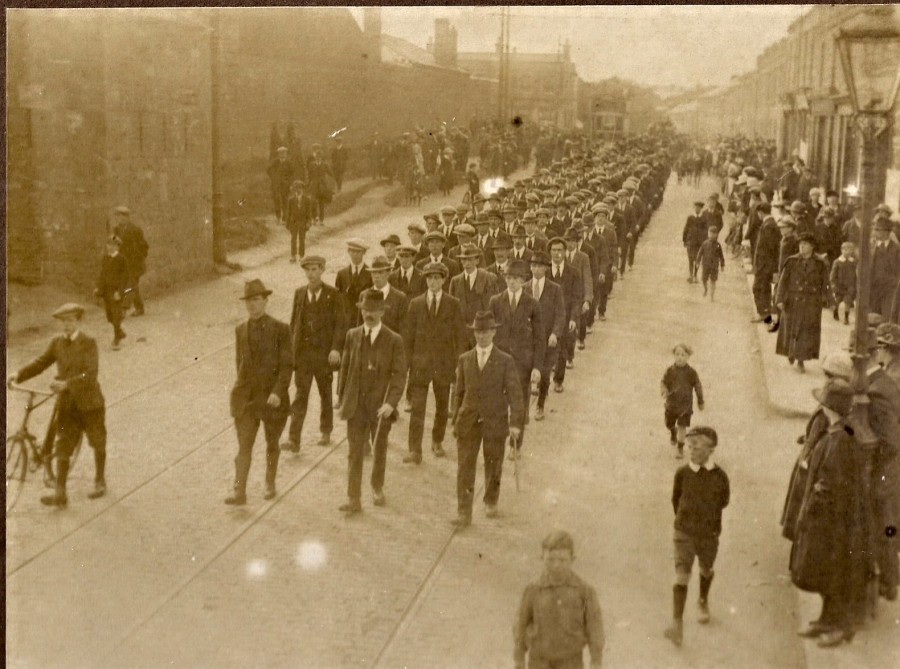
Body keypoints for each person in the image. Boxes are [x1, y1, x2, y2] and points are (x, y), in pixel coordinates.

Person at [8, 303, 108, 506]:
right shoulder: (56, 343)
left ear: (79, 321)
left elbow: (90, 374)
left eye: (70, 321)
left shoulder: (89, 343)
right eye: (63, 322)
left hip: (90, 404)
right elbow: (40, 363)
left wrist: (66, 384)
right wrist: (18, 375)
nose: (66, 326)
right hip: (67, 405)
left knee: (97, 442)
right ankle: (60, 494)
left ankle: (99, 480)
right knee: (62, 447)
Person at [790, 379, 866, 647]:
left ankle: (841, 627)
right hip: (829, 520)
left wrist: (809, 513)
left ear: (829, 408)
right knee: (825, 573)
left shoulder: (840, 440)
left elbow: (829, 485)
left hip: (830, 522)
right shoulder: (838, 433)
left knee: (834, 574)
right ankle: (826, 620)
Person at [336, 289, 407, 515]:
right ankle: (353, 498)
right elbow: (345, 368)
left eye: (374, 310)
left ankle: (377, 487)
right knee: (354, 452)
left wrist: (391, 403)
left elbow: (399, 375)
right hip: (356, 405)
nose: (369, 314)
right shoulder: (352, 335)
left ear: (382, 313)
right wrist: (341, 397)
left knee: (379, 448)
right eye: (366, 310)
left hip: (380, 406)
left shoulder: (394, 340)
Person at [450, 311, 524, 527]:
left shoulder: (505, 360)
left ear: (493, 332)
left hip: (494, 421)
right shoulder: (465, 359)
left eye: (485, 332)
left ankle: (491, 500)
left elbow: (515, 395)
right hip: (468, 421)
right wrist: (456, 418)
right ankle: (464, 511)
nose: (481, 336)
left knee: (493, 464)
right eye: (477, 332)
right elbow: (459, 392)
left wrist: (515, 424)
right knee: (465, 467)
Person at [226, 280, 292, 505]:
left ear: (265, 300)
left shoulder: (281, 329)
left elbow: (286, 366)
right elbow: (240, 363)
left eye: (256, 300)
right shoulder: (240, 330)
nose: (252, 306)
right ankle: (239, 491)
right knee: (244, 446)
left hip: (272, 399)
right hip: (248, 400)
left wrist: (277, 392)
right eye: (249, 302)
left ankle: (270, 482)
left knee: (272, 443)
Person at [664, 426, 729, 647]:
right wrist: (685, 522)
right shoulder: (682, 473)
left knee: (706, 569)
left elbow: (723, 501)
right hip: (684, 532)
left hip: (708, 534)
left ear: (711, 449)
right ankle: (676, 623)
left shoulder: (720, 477)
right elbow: (676, 499)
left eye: (697, 447)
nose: (692, 451)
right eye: (690, 446)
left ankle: (702, 599)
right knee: (681, 575)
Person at [513, 530, 605, 669]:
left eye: (562, 560)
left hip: (570, 661)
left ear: (572, 560)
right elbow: (520, 624)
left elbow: (594, 626)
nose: (556, 565)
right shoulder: (533, 590)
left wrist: (596, 660)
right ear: (542, 558)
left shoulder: (584, 591)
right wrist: (519, 658)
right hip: (539, 660)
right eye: (550, 559)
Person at [281, 256, 345, 454]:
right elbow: (294, 324)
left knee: (325, 394)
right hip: (303, 356)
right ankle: (294, 439)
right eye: (308, 270)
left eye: (315, 269)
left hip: (324, 355)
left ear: (323, 270)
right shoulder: (299, 293)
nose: (311, 274)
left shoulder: (333, 294)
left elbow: (340, 325)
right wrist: (290, 351)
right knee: (300, 396)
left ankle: (326, 430)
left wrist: (335, 349)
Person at [402, 262, 464, 463]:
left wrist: (458, 363)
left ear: (444, 280)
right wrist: (407, 363)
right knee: (418, 407)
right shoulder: (416, 304)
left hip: (443, 365)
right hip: (420, 366)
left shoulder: (453, 304)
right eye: (429, 278)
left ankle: (437, 441)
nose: (433, 282)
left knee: (442, 406)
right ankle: (414, 449)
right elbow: (408, 337)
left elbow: (460, 337)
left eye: (437, 278)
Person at [490, 259, 545, 454]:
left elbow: (539, 338)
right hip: (499, 362)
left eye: (516, 278)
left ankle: (516, 445)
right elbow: (489, 333)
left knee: (518, 404)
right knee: (498, 403)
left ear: (523, 281)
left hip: (522, 364)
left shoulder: (532, 304)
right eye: (508, 278)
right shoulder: (496, 302)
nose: (512, 282)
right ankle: (498, 441)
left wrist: (537, 367)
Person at [775, 233, 830, 372]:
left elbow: (826, 283)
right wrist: (779, 299)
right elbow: (783, 282)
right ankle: (791, 353)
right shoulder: (792, 261)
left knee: (806, 331)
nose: (802, 246)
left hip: (811, 302)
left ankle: (801, 360)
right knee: (791, 328)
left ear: (812, 246)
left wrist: (829, 300)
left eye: (805, 244)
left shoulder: (820, 263)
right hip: (793, 300)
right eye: (800, 244)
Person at [526, 251, 566, 422]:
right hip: (528, 340)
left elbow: (560, 314)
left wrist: (555, 334)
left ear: (545, 269)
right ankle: (523, 409)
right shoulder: (524, 288)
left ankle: (540, 405)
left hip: (548, 339)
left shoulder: (555, 289)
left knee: (544, 373)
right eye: (533, 266)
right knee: (525, 373)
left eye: (540, 266)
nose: (536, 269)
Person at [449, 244, 501, 349]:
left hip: (482, 332)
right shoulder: (455, 281)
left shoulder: (489, 279)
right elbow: (451, 310)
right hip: (461, 334)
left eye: (470, 260)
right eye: (464, 260)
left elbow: (494, 309)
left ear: (477, 261)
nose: (467, 263)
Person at [660, 344, 705, 459]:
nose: (680, 357)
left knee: (682, 426)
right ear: (674, 356)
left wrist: (700, 400)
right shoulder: (670, 371)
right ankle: (672, 432)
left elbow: (698, 386)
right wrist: (664, 391)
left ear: (688, 357)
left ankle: (680, 448)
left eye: (683, 355)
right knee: (668, 423)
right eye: (677, 354)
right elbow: (663, 382)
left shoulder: (691, 373)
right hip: (671, 405)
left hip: (685, 406)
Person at [112, 206, 149, 316]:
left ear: (127, 217)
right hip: (122, 263)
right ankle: (139, 308)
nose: (119, 219)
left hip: (135, 263)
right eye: (118, 217)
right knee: (132, 286)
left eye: (121, 217)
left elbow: (144, 246)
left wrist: (140, 257)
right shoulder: (116, 230)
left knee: (131, 285)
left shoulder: (135, 230)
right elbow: (113, 241)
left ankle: (124, 309)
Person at [95, 234, 128, 350]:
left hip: (115, 292)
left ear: (118, 247)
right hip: (106, 291)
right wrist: (98, 287)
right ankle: (119, 331)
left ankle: (116, 339)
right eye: (108, 244)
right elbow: (102, 274)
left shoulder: (121, 259)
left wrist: (119, 291)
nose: (110, 247)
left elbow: (124, 277)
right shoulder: (105, 258)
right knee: (109, 316)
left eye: (113, 245)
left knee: (115, 315)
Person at [335, 238, 373, 328]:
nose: (355, 254)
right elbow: (337, 299)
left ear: (364, 253)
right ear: (348, 252)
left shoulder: (370, 274)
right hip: (346, 320)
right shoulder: (341, 274)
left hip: (364, 319)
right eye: (352, 251)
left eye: (358, 252)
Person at [368, 255, 409, 335]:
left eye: (380, 272)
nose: (376, 276)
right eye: (374, 272)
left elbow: (404, 331)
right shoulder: (364, 295)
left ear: (388, 273)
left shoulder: (400, 298)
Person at [870, 216, 900, 317]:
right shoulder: (871, 247)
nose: (875, 232)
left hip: (890, 289)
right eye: (875, 229)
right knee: (872, 318)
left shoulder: (896, 249)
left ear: (887, 232)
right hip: (873, 289)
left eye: (878, 230)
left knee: (888, 318)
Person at [285, 180, 314, 262]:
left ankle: (301, 255)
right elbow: (289, 212)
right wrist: (287, 224)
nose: (298, 190)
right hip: (293, 222)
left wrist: (309, 222)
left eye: (300, 188)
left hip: (302, 222)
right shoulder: (291, 200)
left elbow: (309, 213)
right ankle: (293, 256)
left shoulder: (307, 200)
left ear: (302, 189)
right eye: (296, 188)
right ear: (294, 189)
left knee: (302, 239)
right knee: (293, 239)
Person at [306, 143, 334, 225]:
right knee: (313, 201)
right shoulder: (311, 165)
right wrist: (308, 184)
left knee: (321, 203)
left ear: (321, 157)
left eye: (320, 156)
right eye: (317, 156)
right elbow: (309, 175)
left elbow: (331, 174)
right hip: (314, 185)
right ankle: (315, 218)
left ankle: (321, 220)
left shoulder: (325, 165)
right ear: (315, 157)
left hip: (322, 186)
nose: (318, 158)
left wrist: (329, 183)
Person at [829, 242, 857, 325]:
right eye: (845, 249)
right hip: (839, 285)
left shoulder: (854, 262)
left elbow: (856, 273)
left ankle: (846, 317)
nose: (847, 252)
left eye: (849, 250)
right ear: (841, 250)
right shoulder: (837, 262)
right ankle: (835, 312)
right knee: (837, 301)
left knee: (848, 301)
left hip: (850, 286)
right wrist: (833, 284)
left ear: (852, 251)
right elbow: (833, 274)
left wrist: (855, 284)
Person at [695, 226, 725, 300]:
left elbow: (721, 256)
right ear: (708, 233)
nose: (711, 235)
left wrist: (722, 265)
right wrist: (697, 261)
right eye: (710, 233)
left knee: (713, 280)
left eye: (713, 233)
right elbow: (700, 253)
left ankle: (712, 295)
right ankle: (705, 289)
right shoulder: (705, 243)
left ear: (716, 235)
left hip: (714, 266)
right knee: (704, 279)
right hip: (706, 265)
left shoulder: (718, 245)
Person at [267, 146, 294, 223]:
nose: (282, 155)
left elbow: (292, 174)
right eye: (280, 153)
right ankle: (278, 217)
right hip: (276, 184)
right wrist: (273, 178)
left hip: (285, 185)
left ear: (286, 154)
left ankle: (285, 218)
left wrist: (290, 184)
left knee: (285, 200)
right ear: (278, 154)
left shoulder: (289, 163)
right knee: (276, 200)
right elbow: (268, 170)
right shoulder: (275, 162)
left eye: (284, 153)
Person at [683, 200, 707, 283]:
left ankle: (695, 275)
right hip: (691, 242)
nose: (697, 209)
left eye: (699, 208)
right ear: (694, 208)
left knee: (697, 259)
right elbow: (686, 229)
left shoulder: (703, 219)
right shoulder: (690, 218)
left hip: (699, 243)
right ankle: (690, 275)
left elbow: (705, 231)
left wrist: (704, 242)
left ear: (701, 209)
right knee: (690, 259)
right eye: (696, 207)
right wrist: (684, 240)